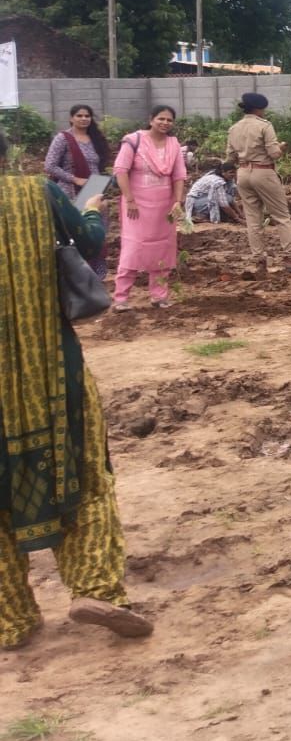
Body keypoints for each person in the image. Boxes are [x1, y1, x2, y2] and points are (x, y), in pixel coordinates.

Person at [0, 127, 153, 649]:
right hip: (47, 367)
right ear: (8, 156)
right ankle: (96, 588)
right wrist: (90, 202)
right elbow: (88, 240)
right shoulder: (33, 194)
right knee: (84, 471)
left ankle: (11, 619)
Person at [111, 106, 188, 312]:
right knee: (133, 248)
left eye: (169, 120)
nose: (165, 123)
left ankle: (159, 296)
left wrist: (177, 202)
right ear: (151, 119)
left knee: (163, 248)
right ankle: (121, 298)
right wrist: (129, 199)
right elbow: (121, 171)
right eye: (161, 118)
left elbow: (179, 175)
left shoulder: (173, 144)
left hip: (165, 206)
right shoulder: (133, 140)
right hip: (136, 206)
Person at [225, 93, 291, 274]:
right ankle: (290, 258)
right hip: (264, 171)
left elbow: (229, 158)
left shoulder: (234, 128)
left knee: (253, 219)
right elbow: (274, 153)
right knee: (281, 216)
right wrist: (281, 147)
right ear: (259, 109)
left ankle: (259, 260)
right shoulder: (264, 126)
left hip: (243, 173)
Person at [43, 103, 112, 279]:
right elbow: (49, 166)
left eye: (87, 116)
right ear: (71, 118)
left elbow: (98, 166)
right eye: (79, 116)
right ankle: (75, 276)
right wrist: (75, 179)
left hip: (95, 190)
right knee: (74, 233)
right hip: (70, 193)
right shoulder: (63, 138)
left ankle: (96, 277)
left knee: (96, 231)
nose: (84, 119)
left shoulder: (94, 139)